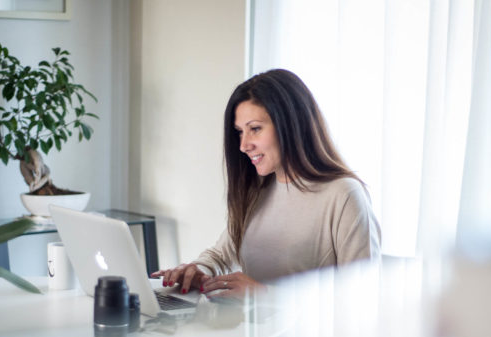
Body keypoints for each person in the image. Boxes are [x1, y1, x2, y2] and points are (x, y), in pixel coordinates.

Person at [151, 69, 381, 297]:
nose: (243, 145)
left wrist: (264, 295)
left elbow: (361, 298)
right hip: (250, 332)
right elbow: (221, 256)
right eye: (240, 132)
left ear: (291, 125)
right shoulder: (257, 191)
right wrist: (197, 271)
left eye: (255, 129)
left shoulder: (344, 195)